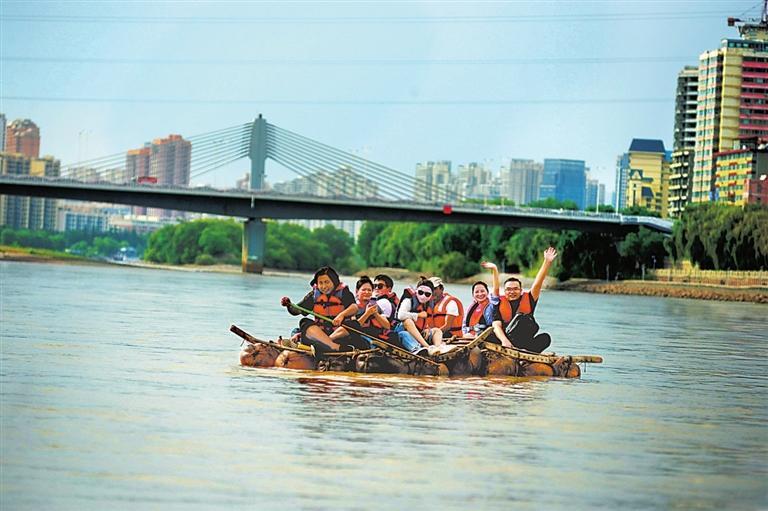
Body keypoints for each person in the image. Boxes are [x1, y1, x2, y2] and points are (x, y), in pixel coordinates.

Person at [491, 247, 558, 353]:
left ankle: (524, 352)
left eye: (515, 289)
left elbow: (537, 283)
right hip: (504, 341)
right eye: (509, 289)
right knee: (490, 335)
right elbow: (496, 326)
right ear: (505, 291)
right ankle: (515, 349)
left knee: (545, 338)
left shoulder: (529, 299)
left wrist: (547, 262)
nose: (512, 292)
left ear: (521, 290)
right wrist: (505, 341)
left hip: (523, 342)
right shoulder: (498, 303)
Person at [280, 266, 358, 354]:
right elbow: (296, 311)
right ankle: (334, 347)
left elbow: (354, 307)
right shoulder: (313, 295)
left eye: (327, 282)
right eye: (320, 283)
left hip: (338, 335)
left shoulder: (344, 293)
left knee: (354, 324)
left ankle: (324, 344)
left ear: (334, 282)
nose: (324, 286)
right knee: (304, 322)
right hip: (319, 334)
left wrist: (341, 315)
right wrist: (288, 305)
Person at [329, 276, 391, 349]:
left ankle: (326, 341)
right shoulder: (352, 307)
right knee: (350, 327)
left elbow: (387, 326)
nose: (367, 292)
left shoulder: (375, 306)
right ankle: (327, 341)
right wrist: (367, 314)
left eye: (369, 290)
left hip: (369, 339)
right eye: (364, 290)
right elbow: (353, 327)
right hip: (350, 336)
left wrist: (375, 314)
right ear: (357, 291)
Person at [393, 277, 435, 354]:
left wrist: (427, 328)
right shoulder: (409, 301)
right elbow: (400, 315)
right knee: (407, 323)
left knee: (436, 331)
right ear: (416, 291)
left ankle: (437, 348)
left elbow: (426, 321)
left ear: (431, 295)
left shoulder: (428, 305)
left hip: (419, 333)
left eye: (427, 294)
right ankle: (424, 347)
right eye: (420, 292)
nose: (423, 296)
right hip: (402, 331)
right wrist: (418, 315)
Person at [463, 261, 501, 337]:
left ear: (487, 292)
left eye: (482, 291)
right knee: (466, 336)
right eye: (477, 292)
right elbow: (464, 327)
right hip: (469, 337)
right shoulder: (471, 307)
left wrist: (494, 269)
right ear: (473, 295)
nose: (480, 294)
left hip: (484, 338)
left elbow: (496, 289)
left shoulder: (492, 305)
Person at [429, 276, 464, 344]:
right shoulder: (428, 303)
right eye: (430, 289)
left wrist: (432, 334)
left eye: (435, 288)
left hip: (450, 336)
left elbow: (447, 326)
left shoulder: (451, 303)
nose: (432, 291)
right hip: (435, 335)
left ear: (442, 289)